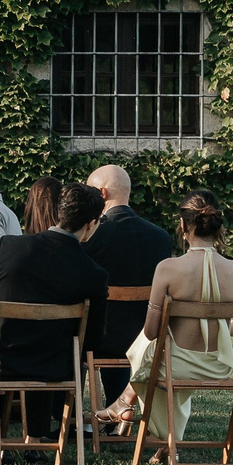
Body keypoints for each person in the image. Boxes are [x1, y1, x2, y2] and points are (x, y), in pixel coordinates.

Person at [0, 181, 108, 440]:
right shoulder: (94, 274)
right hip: (56, 367)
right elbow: (91, 339)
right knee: (42, 352)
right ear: (91, 223)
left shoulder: (10, 247)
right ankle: (34, 440)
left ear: (59, 212)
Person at [102, 191, 233, 444]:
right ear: (217, 227)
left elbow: (151, 332)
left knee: (150, 353)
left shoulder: (168, 268)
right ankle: (161, 436)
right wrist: (211, 321)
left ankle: (150, 425)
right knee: (156, 358)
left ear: (183, 225)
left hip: (175, 366)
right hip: (218, 366)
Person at [83, 163, 178, 407]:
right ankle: (119, 408)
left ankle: (72, 415)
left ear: (101, 193)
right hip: (145, 338)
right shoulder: (160, 237)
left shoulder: (91, 235)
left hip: (98, 339)